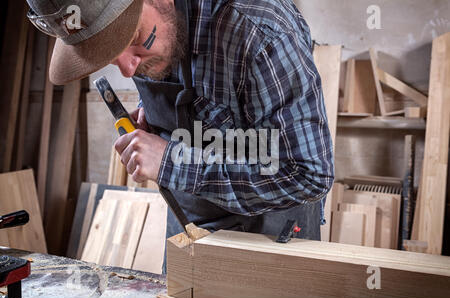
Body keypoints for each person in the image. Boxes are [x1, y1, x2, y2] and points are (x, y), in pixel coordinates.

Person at [26, 0, 334, 242]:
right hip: (189, 227)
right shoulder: (147, 37)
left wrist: (171, 162)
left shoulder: (259, 29)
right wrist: (158, 117)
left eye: (132, 37)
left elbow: (308, 174)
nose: (128, 70)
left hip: (273, 237)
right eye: (109, 55)